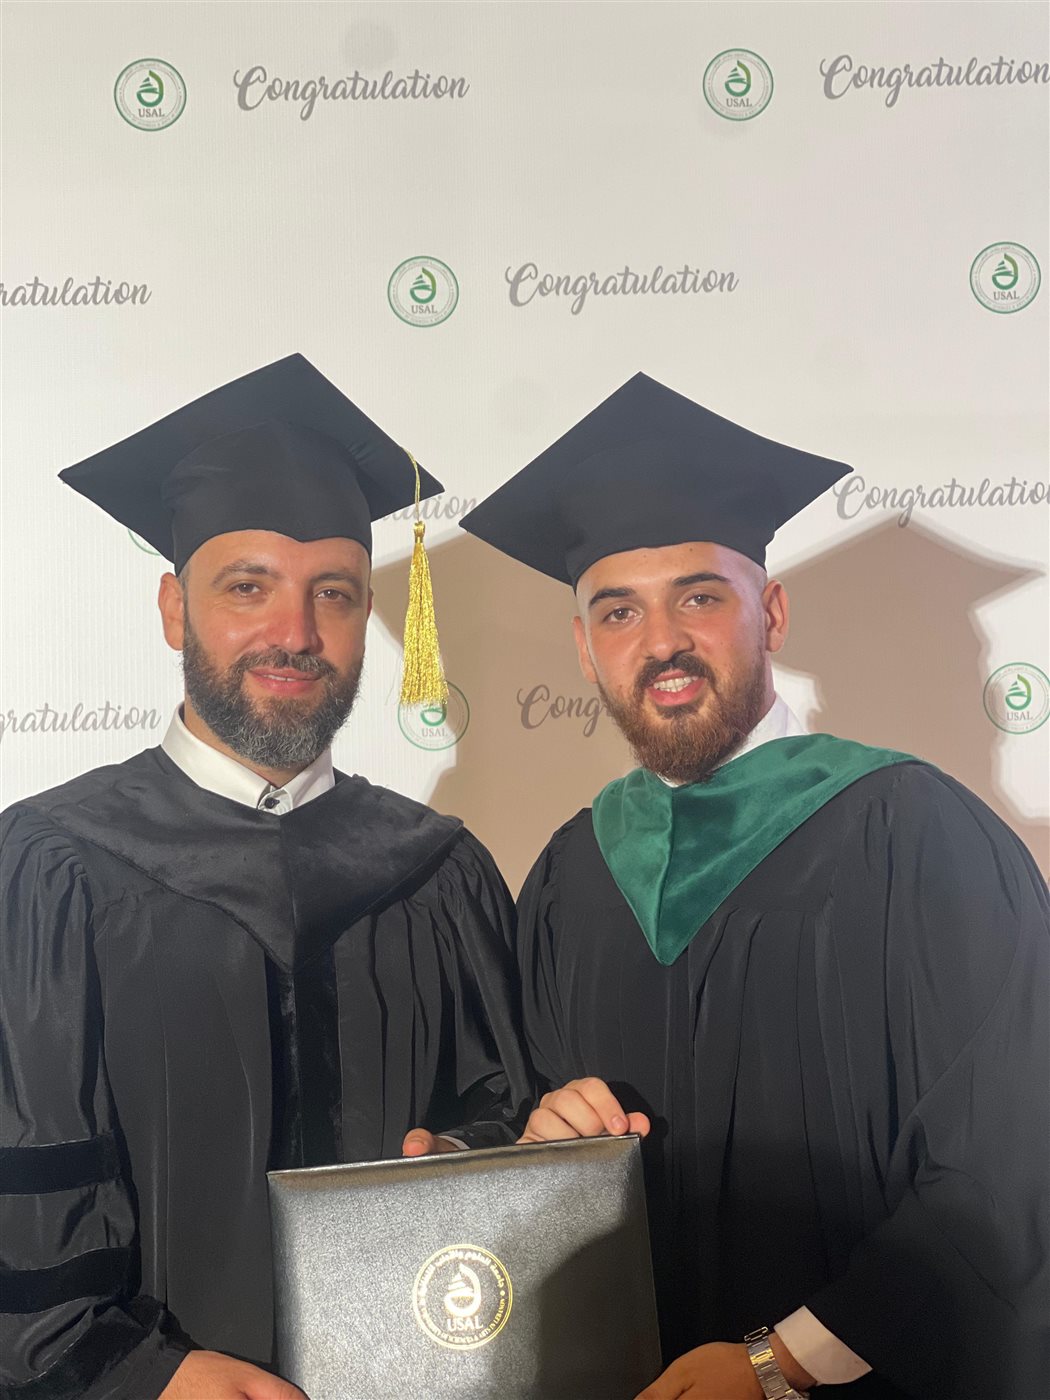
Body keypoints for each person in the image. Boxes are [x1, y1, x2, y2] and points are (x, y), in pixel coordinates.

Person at [460, 372, 1049, 1400]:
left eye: (700, 596)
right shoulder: (569, 875)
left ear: (769, 611)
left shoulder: (916, 834)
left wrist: (780, 1364)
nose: (662, 641)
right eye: (619, 611)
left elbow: (1008, 1158)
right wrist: (541, 1134)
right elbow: (532, 1130)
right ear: (585, 648)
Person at [0, 355, 531, 1400]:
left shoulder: (439, 873)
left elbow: (508, 1119)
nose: (295, 633)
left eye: (333, 594)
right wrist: (138, 1373)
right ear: (173, 607)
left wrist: (464, 1157)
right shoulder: (53, 869)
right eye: (248, 587)